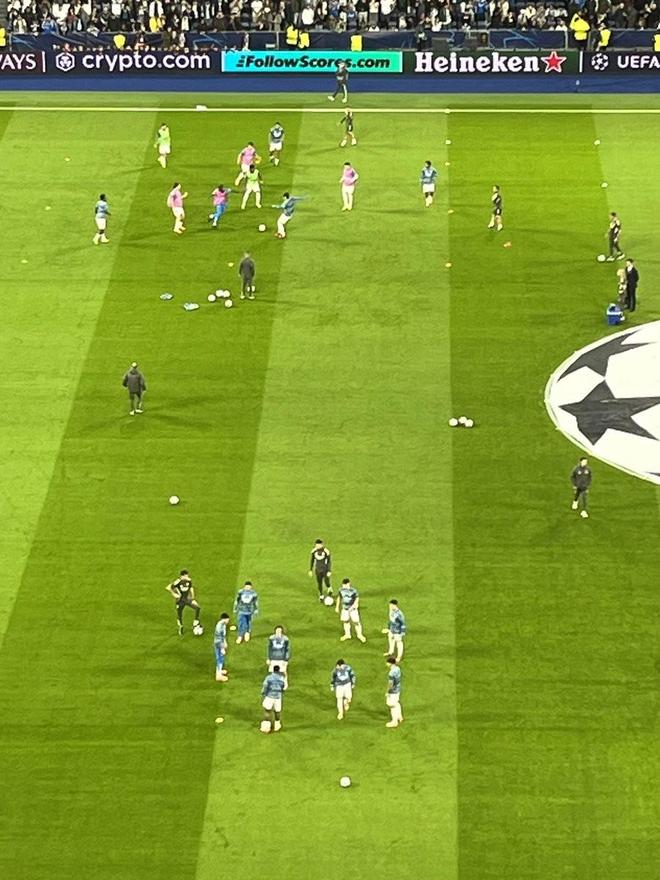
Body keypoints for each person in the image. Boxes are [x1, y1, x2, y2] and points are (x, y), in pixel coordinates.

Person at [166, 569, 201, 636]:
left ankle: (196, 621)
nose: (187, 577)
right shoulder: (177, 582)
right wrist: (174, 594)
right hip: (180, 601)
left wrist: (193, 598)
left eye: (187, 576)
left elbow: (191, 588)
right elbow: (169, 587)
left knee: (197, 608)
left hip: (187, 599)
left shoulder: (188, 580)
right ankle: (181, 626)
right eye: (185, 576)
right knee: (179, 615)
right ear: (182, 576)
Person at [335, 578, 367, 643]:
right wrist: (337, 607)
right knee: (345, 621)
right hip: (345, 609)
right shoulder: (341, 590)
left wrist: (353, 607)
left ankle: (360, 635)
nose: (343, 586)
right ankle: (347, 634)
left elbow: (357, 600)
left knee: (356, 622)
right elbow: (339, 598)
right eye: (343, 585)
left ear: (348, 584)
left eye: (345, 585)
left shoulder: (353, 591)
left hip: (353, 609)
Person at [260, 664, 286, 733]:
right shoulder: (282, 678)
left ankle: (266, 727)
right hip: (278, 697)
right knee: (277, 711)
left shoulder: (269, 677)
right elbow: (283, 687)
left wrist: (263, 693)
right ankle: (277, 726)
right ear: (279, 670)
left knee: (267, 711)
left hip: (270, 696)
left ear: (273, 670)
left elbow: (265, 685)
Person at [385, 656, 403, 728]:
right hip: (398, 689)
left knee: (392, 705)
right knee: (396, 703)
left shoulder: (391, 673)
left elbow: (391, 684)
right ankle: (400, 717)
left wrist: (387, 692)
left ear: (390, 663)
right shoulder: (398, 668)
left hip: (393, 691)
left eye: (387, 662)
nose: (386, 664)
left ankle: (394, 722)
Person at [213, 612, 230, 681]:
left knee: (221, 658)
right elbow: (219, 637)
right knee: (219, 658)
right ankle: (218, 676)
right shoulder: (219, 626)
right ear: (225, 619)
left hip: (220, 643)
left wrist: (225, 642)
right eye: (228, 620)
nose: (228, 621)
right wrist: (222, 647)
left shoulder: (223, 625)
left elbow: (223, 636)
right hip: (219, 643)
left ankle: (220, 671)